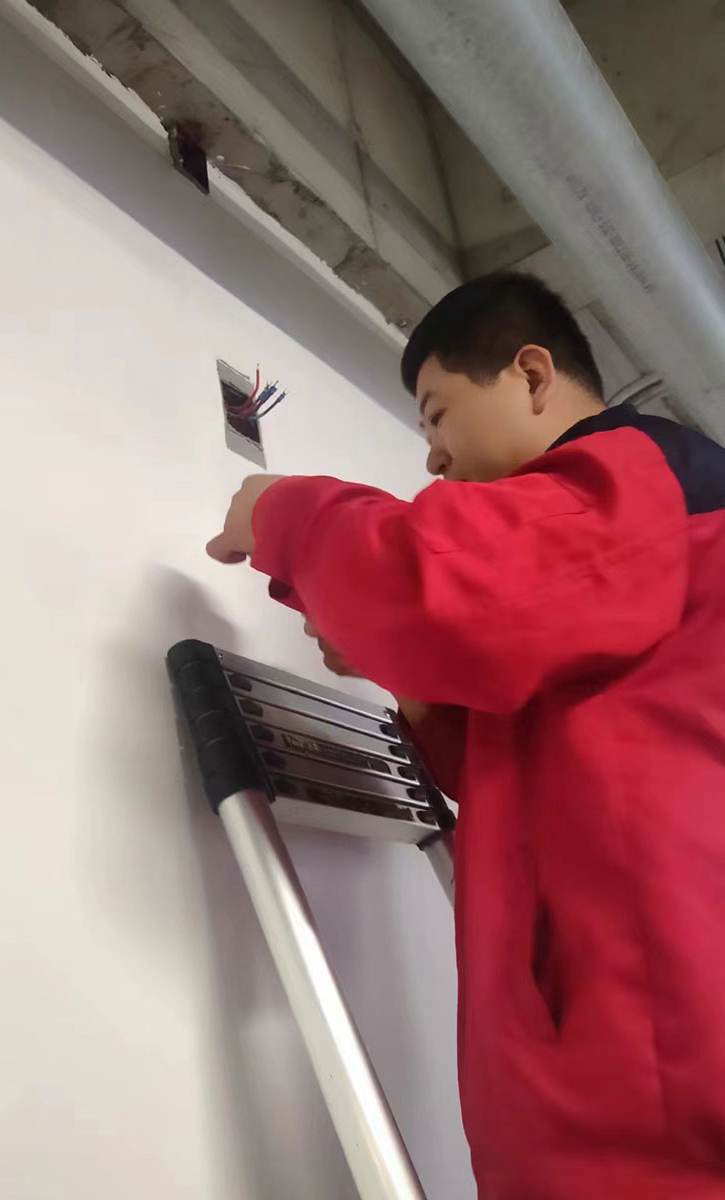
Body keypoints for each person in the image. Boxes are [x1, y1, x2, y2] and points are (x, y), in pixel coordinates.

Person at [206, 273, 725, 1200]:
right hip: (627, 1063)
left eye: (439, 413)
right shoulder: (626, 546)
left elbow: (434, 586)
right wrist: (413, 682)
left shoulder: (636, 474)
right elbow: (519, 762)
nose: (434, 455)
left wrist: (279, 511)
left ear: (532, 375)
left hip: (651, 1081)